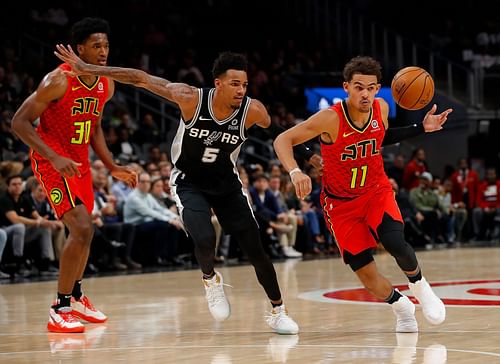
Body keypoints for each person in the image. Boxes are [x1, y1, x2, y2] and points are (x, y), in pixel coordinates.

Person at [54, 46, 324, 334]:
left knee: (255, 248)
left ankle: (277, 310)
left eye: (244, 85)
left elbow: (279, 130)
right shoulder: (191, 99)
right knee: (204, 236)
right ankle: (211, 279)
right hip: (188, 181)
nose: (241, 90)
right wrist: (89, 69)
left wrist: (308, 155)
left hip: (226, 183)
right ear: (218, 83)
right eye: (234, 84)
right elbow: (139, 78)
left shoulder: (252, 110)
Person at [273, 55, 452, 333]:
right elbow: (283, 139)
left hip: (375, 191)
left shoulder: (380, 108)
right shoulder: (330, 118)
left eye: (370, 88)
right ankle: (402, 306)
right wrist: (296, 171)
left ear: (378, 89)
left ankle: (422, 288)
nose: (365, 93)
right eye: (359, 87)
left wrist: (422, 127)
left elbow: (383, 135)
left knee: (394, 241)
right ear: (346, 87)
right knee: (367, 276)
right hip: (340, 204)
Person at [11, 18, 137, 333]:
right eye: (96, 46)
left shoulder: (106, 85)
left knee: (86, 232)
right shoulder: (58, 80)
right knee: (80, 227)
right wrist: (53, 156)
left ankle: (77, 297)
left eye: (106, 45)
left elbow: (94, 128)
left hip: (78, 162)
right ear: (79, 49)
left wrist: (112, 166)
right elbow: (19, 122)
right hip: (51, 161)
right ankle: (60, 307)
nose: (104, 51)